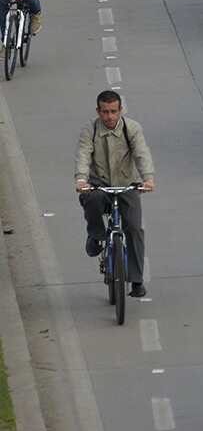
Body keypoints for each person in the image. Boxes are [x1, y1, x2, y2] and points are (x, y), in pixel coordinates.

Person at [75, 91, 155, 299]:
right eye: (105, 112)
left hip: (126, 184)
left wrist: (147, 178)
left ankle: (136, 280)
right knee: (90, 198)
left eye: (113, 111)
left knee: (134, 228)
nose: (109, 116)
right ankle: (96, 235)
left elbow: (142, 154)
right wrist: (81, 180)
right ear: (98, 111)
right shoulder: (90, 129)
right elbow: (83, 154)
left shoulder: (132, 128)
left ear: (120, 110)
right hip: (99, 183)